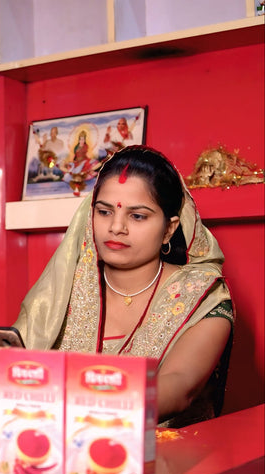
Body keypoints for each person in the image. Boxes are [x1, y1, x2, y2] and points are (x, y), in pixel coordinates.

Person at [13, 146, 233, 428]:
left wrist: (78, 405)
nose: (116, 227)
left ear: (169, 228)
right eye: (104, 212)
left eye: (137, 216)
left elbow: (179, 388)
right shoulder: (64, 288)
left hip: (170, 462)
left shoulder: (203, 296)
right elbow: (13, 365)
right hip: (54, 450)